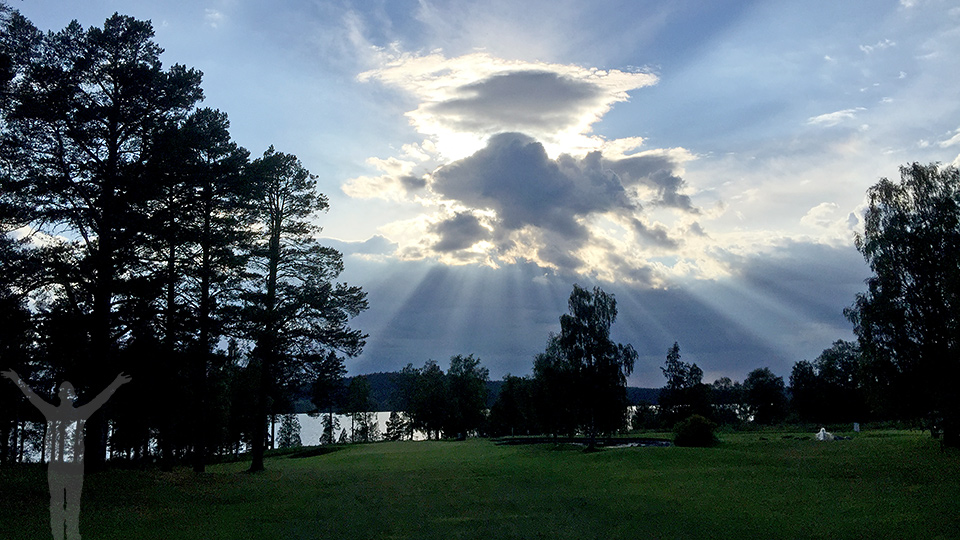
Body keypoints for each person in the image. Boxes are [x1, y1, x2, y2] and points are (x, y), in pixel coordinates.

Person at [2, 369, 131, 540]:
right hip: (56, 467)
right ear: (59, 394)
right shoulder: (51, 412)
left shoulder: (80, 414)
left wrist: (116, 383)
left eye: (69, 391)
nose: (66, 394)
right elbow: (31, 396)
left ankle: (72, 535)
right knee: (56, 504)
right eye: (63, 391)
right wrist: (16, 379)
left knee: (73, 504)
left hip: (74, 469)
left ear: (73, 395)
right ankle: (58, 535)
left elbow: (100, 399)